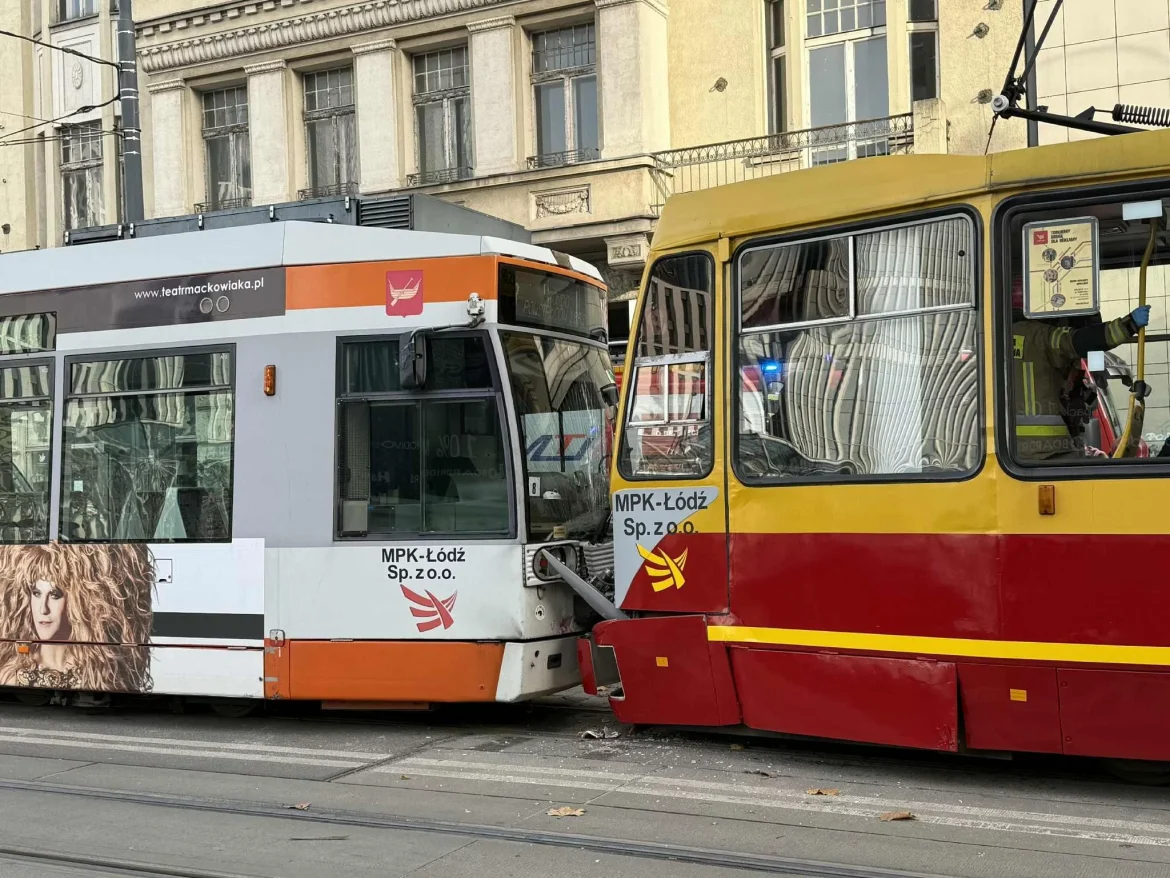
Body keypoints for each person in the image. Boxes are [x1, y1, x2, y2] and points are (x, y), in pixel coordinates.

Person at [1012, 280, 1151, 461]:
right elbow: (1079, 341)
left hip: (1015, 453)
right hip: (1045, 452)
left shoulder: (993, 336)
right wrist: (1129, 325)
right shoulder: (1038, 335)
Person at [0, 544, 155, 692]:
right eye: (37, 594)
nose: (43, 609)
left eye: (55, 595)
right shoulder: (13, 674)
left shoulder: (100, 673)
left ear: (77, 602)